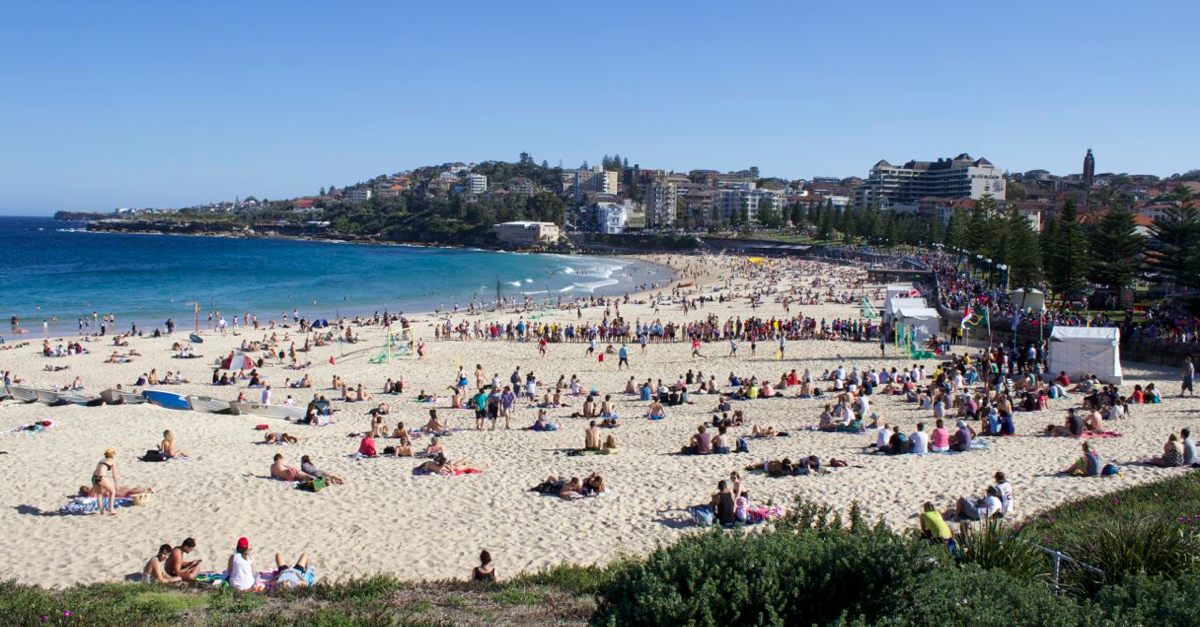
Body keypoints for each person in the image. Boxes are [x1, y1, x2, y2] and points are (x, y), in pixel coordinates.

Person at [91, 448, 119, 516]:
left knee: (99, 495)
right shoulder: (112, 461)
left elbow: (95, 471)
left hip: (94, 478)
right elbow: (114, 475)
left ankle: (101, 511)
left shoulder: (101, 460)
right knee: (112, 491)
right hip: (101, 478)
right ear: (112, 454)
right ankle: (111, 509)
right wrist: (116, 484)